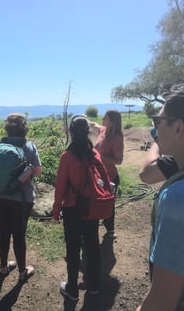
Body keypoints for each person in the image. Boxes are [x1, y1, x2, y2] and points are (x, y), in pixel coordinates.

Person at [138, 82, 184, 310]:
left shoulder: (181, 198)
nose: (155, 129)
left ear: (178, 128)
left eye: (157, 122)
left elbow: (161, 302)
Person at [52, 115, 106, 301]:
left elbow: (60, 186)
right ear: (88, 132)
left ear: (71, 132)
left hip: (73, 208)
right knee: (92, 246)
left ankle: (72, 290)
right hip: (91, 206)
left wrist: (56, 209)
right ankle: (94, 286)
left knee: (73, 248)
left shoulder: (67, 157)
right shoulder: (94, 154)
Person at [0, 113, 41, 282]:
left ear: (7, 127)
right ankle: (22, 272)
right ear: (24, 128)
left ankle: (3, 268)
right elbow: (38, 171)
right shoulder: (28, 146)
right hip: (22, 199)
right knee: (19, 234)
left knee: (3, 230)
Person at [90, 110, 124, 239]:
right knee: (97, 201)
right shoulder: (103, 130)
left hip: (110, 176)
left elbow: (119, 160)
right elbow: (95, 125)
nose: (103, 119)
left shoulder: (116, 139)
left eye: (106, 118)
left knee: (108, 204)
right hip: (98, 175)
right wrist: (86, 121)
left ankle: (110, 229)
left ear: (113, 121)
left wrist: (100, 156)